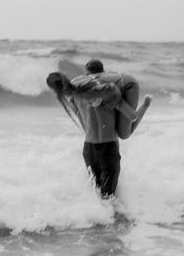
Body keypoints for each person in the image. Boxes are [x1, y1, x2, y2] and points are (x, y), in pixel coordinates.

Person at [47, 60, 152, 198]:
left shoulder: (77, 97)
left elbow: (81, 121)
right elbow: (132, 116)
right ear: (103, 73)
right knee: (108, 196)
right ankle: (112, 218)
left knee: (97, 194)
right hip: (107, 149)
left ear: (87, 74)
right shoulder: (111, 95)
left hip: (88, 149)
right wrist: (143, 106)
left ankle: (99, 218)